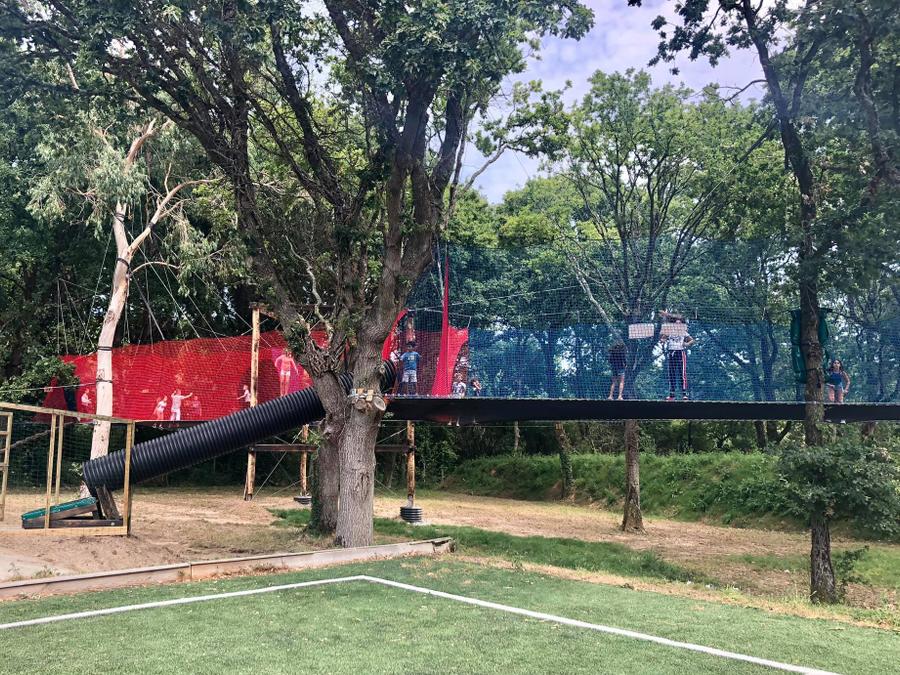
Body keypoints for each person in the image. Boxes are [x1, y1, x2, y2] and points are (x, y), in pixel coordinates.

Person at [659, 314, 695, 400]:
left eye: (679, 323)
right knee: (671, 374)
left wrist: (686, 344)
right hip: (671, 353)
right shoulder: (669, 331)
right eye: (676, 323)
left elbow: (692, 340)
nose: (678, 325)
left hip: (680, 353)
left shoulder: (683, 332)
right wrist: (662, 340)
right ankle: (672, 395)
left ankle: (684, 394)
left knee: (682, 373)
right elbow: (663, 338)